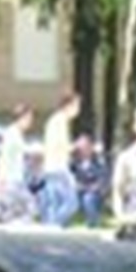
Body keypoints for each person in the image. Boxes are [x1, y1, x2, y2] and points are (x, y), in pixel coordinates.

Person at [0, 104, 37, 224]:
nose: (31, 122)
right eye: (29, 118)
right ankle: (6, 226)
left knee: (7, 209)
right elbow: (5, 157)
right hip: (11, 180)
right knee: (30, 206)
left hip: (16, 179)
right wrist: (1, 178)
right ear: (22, 117)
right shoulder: (12, 133)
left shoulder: (16, 133)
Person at [39, 92, 81, 226]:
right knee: (72, 202)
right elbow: (59, 145)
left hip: (50, 167)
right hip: (59, 167)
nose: (78, 109)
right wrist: (75, 146)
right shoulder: (60, 121)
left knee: (54, 202)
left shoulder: (54, 120)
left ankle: (51, 224)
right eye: (76, 105)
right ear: (68, 105)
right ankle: (53, 223)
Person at [69, 133, 108, 226]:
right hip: (75, 190)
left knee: (88, 199)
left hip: (92, 192)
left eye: (86, 146)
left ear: (91, 147)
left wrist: (94, 187)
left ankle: (93, 223)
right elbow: (68, 176)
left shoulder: (99, 162)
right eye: (80, 147)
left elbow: (103, 179)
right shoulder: (73, 162)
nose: (83, 149)